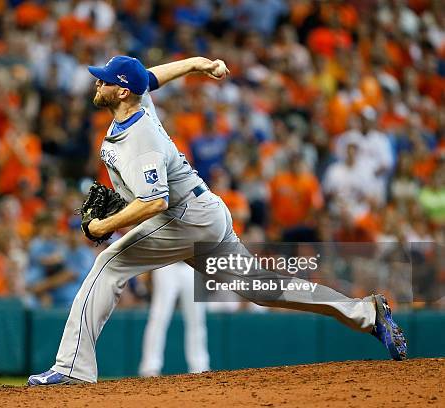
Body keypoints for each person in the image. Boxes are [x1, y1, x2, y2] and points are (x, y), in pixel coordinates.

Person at [24, 55, 407, 386]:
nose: (97, 80)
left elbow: (155, 202)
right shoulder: (139, 104)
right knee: (264, 288)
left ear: (122, 92)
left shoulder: (140, 138)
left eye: (105, 79)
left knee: (108, 263)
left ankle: (72, 367)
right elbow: (150, 77)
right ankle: (366, 313)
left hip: (184, 218)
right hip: (206, 215)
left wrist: (103, 227)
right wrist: (194, 64)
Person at [139, 262, 209, 377]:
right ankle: (150, 367)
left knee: (197, 319)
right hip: (167, 264)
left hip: (192, 264)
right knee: (158, 318)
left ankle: (200, 366)